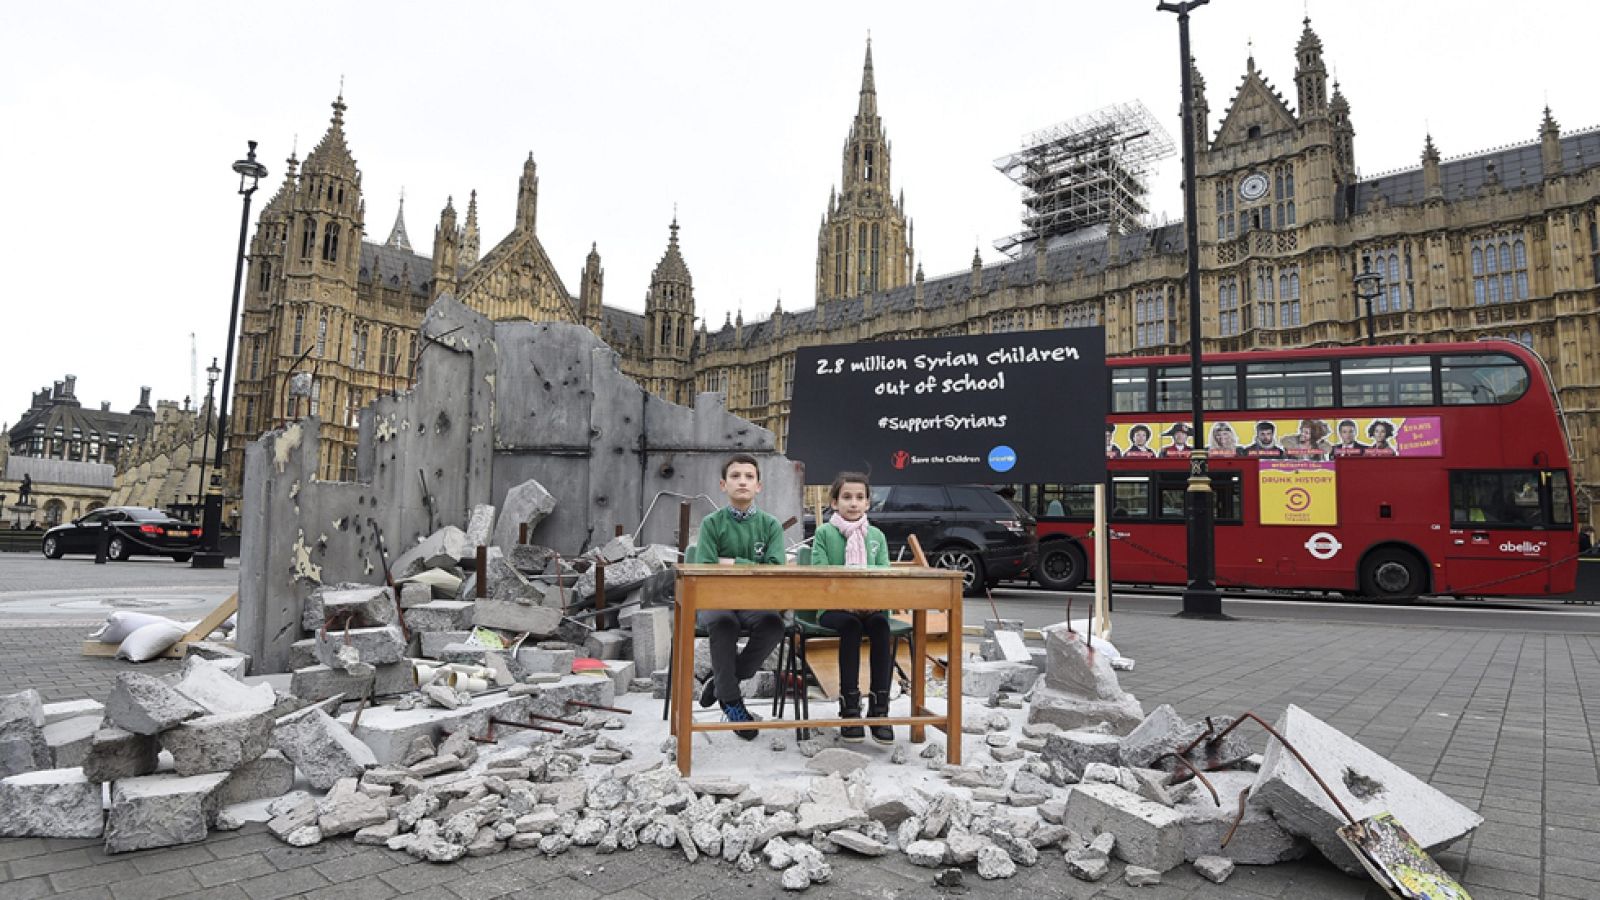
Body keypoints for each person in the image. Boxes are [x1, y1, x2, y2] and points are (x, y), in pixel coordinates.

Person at [689, 453, 787, 740]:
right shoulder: (711, 523)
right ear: (723, 485)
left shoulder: (770, 526)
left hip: (754, 600)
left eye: (749, 477)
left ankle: (722, 682)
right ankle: (731, 701)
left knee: (773, 625)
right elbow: (706, 568)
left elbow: (775, 570)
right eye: (735, 476)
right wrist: (749, 566)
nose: (742, 481)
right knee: (723, 623)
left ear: (759, 486)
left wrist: (732, 563)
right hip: (714, 598)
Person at [805, 472, 895, 744]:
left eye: (859, 497)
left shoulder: (877, 535)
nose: (853, 503)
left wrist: (870, 602)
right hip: (834, 607)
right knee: (851, 626)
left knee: (881, 626)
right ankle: (849, 707)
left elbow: (885, 575)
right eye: (846, 497)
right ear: (834, 502)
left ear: (868, 503)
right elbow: (821, 574)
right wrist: (847, 602)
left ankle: (880, 708)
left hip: (872, 605)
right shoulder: (824, 533)